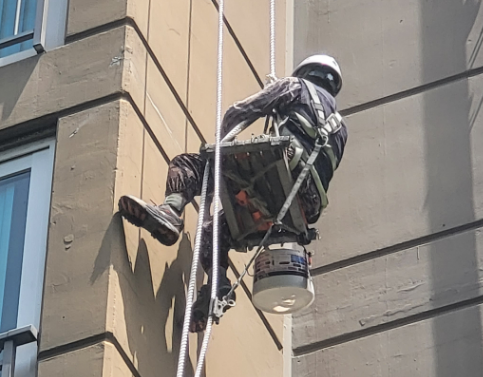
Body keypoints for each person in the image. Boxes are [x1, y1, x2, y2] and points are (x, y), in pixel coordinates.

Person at [118, 54, 349, 331]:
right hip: (302, 207)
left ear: (305, 72)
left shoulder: (296, 87)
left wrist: (220, 148)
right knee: (212, 232)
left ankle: (170, 211)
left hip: (280, 173)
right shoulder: (341, 129)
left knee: (189, 164)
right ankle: (218, 284)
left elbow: (240, 112)